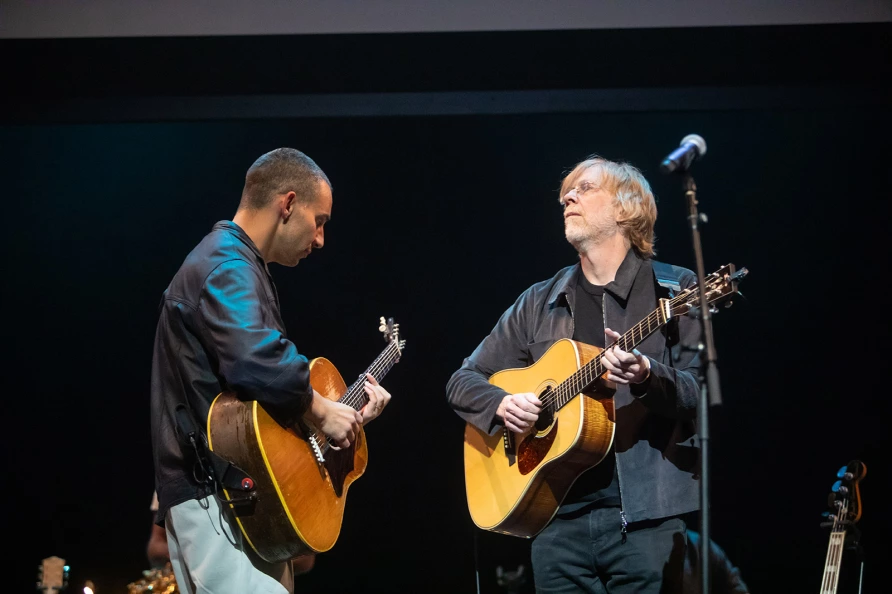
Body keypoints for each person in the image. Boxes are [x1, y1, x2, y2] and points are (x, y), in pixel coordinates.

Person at [446, 155, 703, 593]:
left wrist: (645, 374)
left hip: (646, 525)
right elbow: (463, 380)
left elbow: (695, 392)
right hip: (554, 525)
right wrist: (504, 404)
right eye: (567, 191)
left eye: (585, 188)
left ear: (625, 208)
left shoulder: (674, 290)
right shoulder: (539, 301)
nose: (568, 196)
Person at [150, 148, 392, 594]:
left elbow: (252, 403)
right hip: (222, 497)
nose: (320, 240)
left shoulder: (235, 265)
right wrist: (320, 410)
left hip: (235, 498)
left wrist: (338, 418)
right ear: (288, 204)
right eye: (319, 221)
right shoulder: (226, 265)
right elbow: (256, 361)